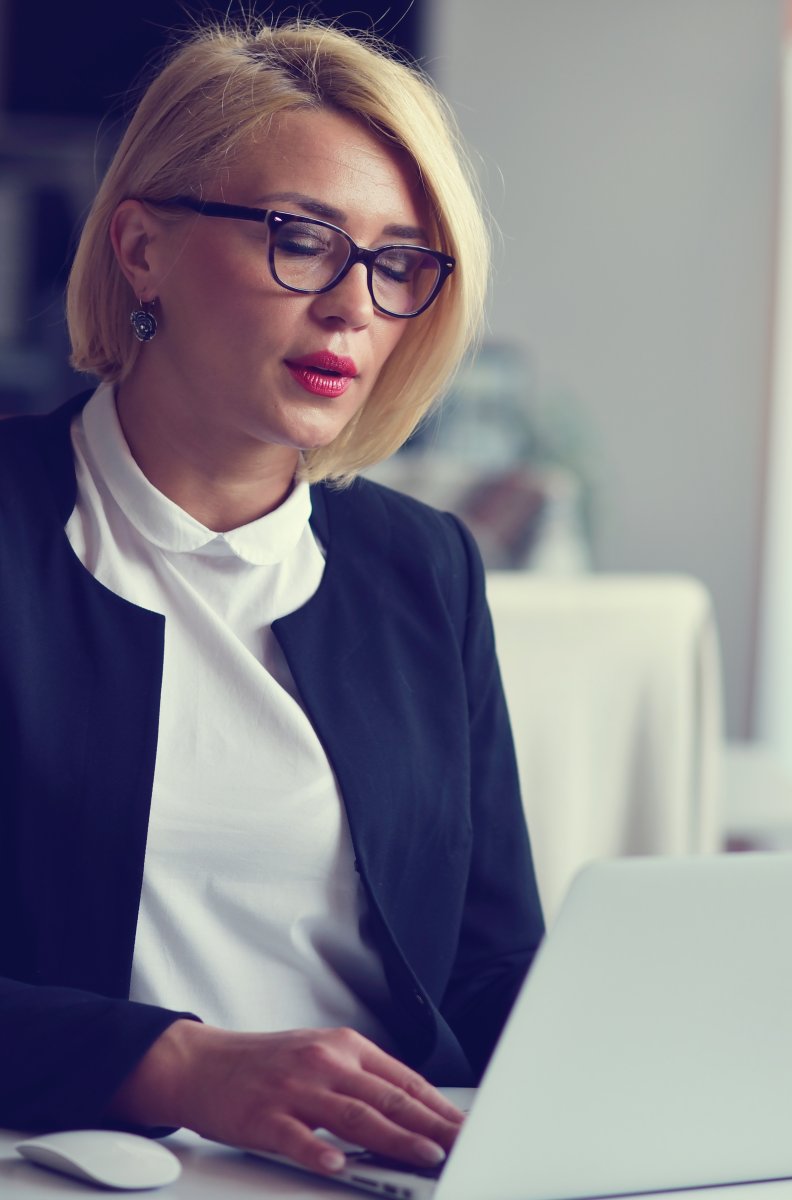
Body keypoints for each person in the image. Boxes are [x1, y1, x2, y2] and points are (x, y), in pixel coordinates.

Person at [0, 17, 544, 1179]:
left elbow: (492, 969)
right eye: (303, 239)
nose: (355, 306)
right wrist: (187, 1068)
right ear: (141, 248)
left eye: (399, 262)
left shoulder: (424, 568)